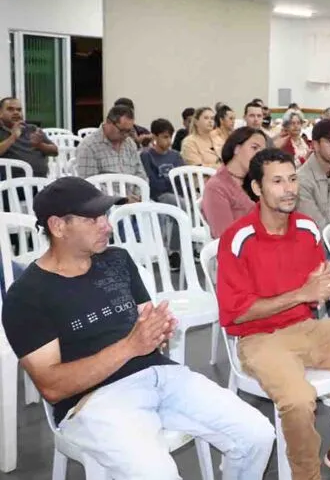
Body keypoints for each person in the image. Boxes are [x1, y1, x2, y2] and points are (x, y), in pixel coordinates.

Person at [2, 177, 274, 479]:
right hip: (94, 400)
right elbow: (52, 387)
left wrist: (158, 332)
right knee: (157, 473)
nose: (106, 225)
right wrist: (131, 346)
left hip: (161, 376)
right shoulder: (27, 295)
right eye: (93, 219)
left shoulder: (117, 260)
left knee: (257, 434)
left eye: (105, 216)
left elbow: (148, 332)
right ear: (58, 226)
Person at [216, 149, 330, 480]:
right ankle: (307, 475)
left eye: (292, 179)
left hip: (306, 326)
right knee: (300, 401)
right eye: (277, 181)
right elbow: (237, 312)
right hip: (259, 338)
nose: (289, 188)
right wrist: (303, 294)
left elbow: (314, 287)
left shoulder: (306, 228)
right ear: (257, 188)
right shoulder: (238, 238)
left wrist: (324, 288)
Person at [202, 127, 268, 238]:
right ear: (236, 148)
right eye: (254, 148)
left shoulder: (254, 180)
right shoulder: (216, 187)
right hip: (242, 249)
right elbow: (225, 236)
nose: (259, 155)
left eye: (262, 151)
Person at [76, 105, 148, 201]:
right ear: (109, 122)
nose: (126, 135)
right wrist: (121, 199)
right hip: (105, 205)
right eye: (122, 131)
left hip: (134, 202)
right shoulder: (89, 146)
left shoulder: (130, 144)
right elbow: (88, 185)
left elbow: (140, 175)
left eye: (129, 131)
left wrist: (138, 196)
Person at [140, 118, 185, 268]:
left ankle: (180, 247)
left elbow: (181, 179)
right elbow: (153, 182)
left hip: (175, 193)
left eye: (170, 137)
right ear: (154, 137)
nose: (169, 141)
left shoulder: (176, 156)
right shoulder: (147, 156)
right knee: (181, 206)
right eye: (165, 137)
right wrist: (170, 183)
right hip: (159, 195)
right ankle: (174, 251)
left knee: (188, 203)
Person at [0, 96, 57, 179]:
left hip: (41, 182)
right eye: (10, 109)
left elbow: (55, 151)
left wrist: (40, 145)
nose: (16, 112)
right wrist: (13, 137)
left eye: (19, 110)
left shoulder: (32, 128)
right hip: (12, 186)